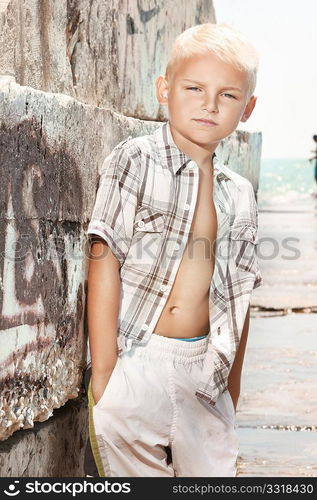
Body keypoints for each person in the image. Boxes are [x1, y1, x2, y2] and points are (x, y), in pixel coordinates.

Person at [84, 22, 263, 477]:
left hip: (206, 367)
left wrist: (231, 391)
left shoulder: (239, 193)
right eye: (194, 87)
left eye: (228, 94)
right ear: (165, 89)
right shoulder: (136, 159)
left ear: (247, 108)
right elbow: (104, 259)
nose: (209, 104)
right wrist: (105, 374)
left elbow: (239, 300)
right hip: (138, 358)